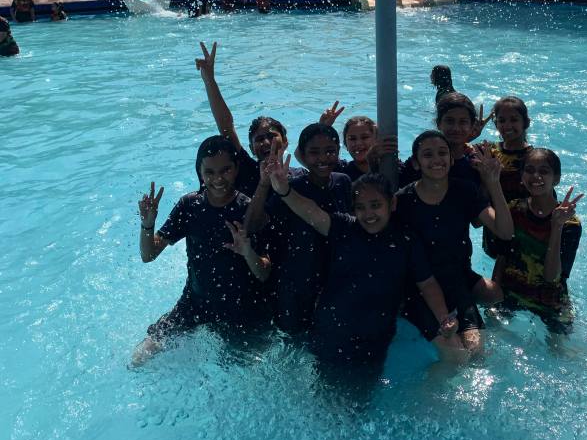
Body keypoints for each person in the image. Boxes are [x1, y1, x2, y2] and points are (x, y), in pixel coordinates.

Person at [265, 153, 457, 369]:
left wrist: (443, 317)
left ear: (392, 203)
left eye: (375, 205)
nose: (368, 214)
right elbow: (311, 211)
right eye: (361, 207)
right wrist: (284, 190)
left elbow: (427, 283)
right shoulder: (343, 227)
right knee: (326, 383)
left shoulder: (406, 240)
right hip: (331, 330)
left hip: (374, 335)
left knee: (364, 385)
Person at [133, 136, 272, 363]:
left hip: (242, 309)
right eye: (209, 172)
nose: (218, 179)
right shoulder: (190, 205)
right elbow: (148, 255)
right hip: (196, 302)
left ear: (236, 169)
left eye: (225, 170)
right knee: (139, 358)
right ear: (199, 172)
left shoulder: (249, 210)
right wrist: (147, 224)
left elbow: (264, 273)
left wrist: (247, 251)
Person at [395, 130, 513, 359]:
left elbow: (505, 232)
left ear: (451, 159)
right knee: (456, 355)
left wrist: (493, 183)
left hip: (456, 280)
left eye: (442, 153)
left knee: (476, 351)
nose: (436, 160)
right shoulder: (402, 201)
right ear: (416, 163)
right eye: (427, 154)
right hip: (418, 288)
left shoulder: (464, 191)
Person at [263, 123, 352, 334]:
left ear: (338, 152)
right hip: (295, 285)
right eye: (314, 152)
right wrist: (265, 184)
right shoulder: (290, 187)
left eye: (330, 151)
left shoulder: (343, 182)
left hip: (332, 282)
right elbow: (262, 227)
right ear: (302, 155)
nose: (323, 158)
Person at [488, 149, 583, 334]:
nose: (536, 176)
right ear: (522, 176)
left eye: (544, 171)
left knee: (560, 348)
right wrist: (495, 291)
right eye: (529, 170)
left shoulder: (570, 224)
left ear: (556, 179)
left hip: (549, 299)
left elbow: (552, 278)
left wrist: (557, 226)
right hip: (511, 290)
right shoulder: (513, 209)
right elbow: (502, 256)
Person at [195, 40, 293, 196]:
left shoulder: (299, 178)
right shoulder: (247, 171)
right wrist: (209, 80)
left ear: (286, 141)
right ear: (252, 149)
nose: (266, 142)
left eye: (271, 136)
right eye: (259, 139)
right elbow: (226, 126)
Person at [398, 92, 492, 187]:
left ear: (472, 125)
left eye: (463, 122)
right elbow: (398, 177)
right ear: (438, 123)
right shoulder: (423, 162)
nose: (456, 128)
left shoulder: (478, 163)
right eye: (449, 121)